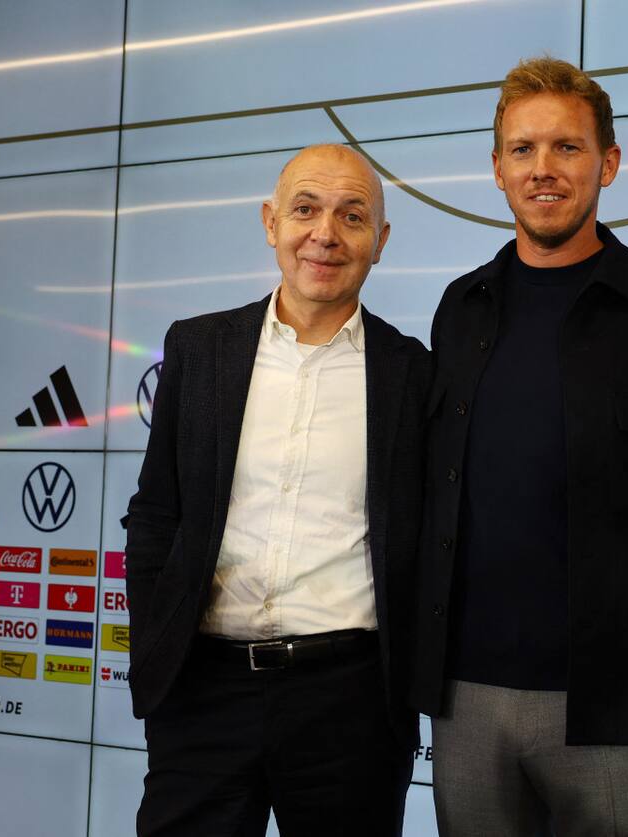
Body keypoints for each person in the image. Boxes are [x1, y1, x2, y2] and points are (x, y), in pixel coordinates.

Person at [410, 57, 628, 836]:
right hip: (465, 698)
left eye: (567, 147)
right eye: (522, 150)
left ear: (608, 163)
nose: (543, 169)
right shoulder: (461, 309)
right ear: (496, 168)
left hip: (620, 704)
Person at [125, 144, 429, 836]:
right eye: (305, 209)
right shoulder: (200, 350)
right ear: (271, 222)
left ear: (379, 243)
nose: (325, 232)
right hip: (203, 692)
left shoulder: (411, 373)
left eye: (352, 216)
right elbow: (155, 515)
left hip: (348, 702)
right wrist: (158, 648)